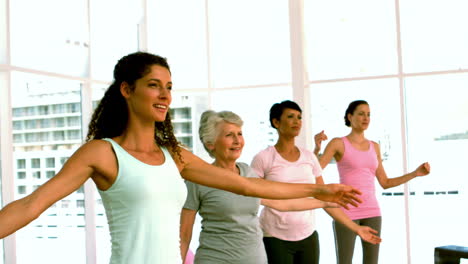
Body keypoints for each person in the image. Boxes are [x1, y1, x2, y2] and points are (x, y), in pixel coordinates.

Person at [0, 52, 364, 264]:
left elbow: (245, 184)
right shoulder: (103, 152)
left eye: (169, 86)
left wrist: (320, 192)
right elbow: (34, 204)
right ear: (127, 90)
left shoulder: (175, 156)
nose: (165, 95)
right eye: (154, 85)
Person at [180, 110, 339, 264]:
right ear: (210, 144)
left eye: (240, 134)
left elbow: (282, 204)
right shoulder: (198, 179)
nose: (237, 140)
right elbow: (184, 234)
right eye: (229, 135)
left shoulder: (248, 172)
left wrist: (327, 202)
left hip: (255, 259)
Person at [251, 100, 382, 264]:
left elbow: (325, 199)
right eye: (290, 117)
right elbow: (251, 196)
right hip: (274, 237)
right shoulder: (263, 158)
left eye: (299, 117)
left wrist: (355, 228)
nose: (297, 121)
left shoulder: (309, 157)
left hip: (308, 237)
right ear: (276, 122)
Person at [314, 99, 431, 264]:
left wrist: (415, 173)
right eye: (361, 114)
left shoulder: (374, 146)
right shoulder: (338, 143)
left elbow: (385, 182)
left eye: (368, 114)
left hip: (372, 211)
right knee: (344, 261)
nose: (366, 118)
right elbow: (315, 170)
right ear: (350, 116)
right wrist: (317, 149)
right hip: (346, 211)